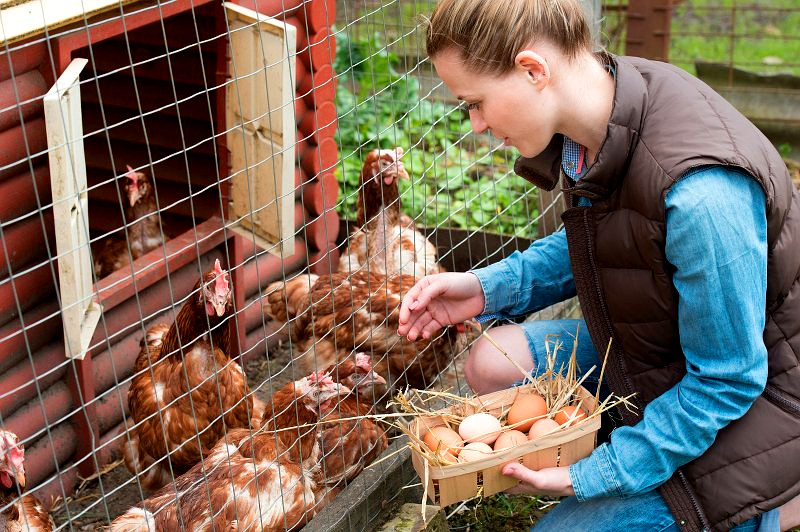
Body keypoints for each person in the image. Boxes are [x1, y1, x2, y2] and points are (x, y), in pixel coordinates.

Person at [396, 0, 800, 530]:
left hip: (756, 396)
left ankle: (763, 507)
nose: (476, 125)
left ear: (533, 70)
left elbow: (727, 380)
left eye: (475, 103)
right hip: (668, 346)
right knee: (494, 362)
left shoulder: (702, 194)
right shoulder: (604, 113)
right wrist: (485, 288)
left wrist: (598, 472)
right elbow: (612, 238)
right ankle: (649, 461)